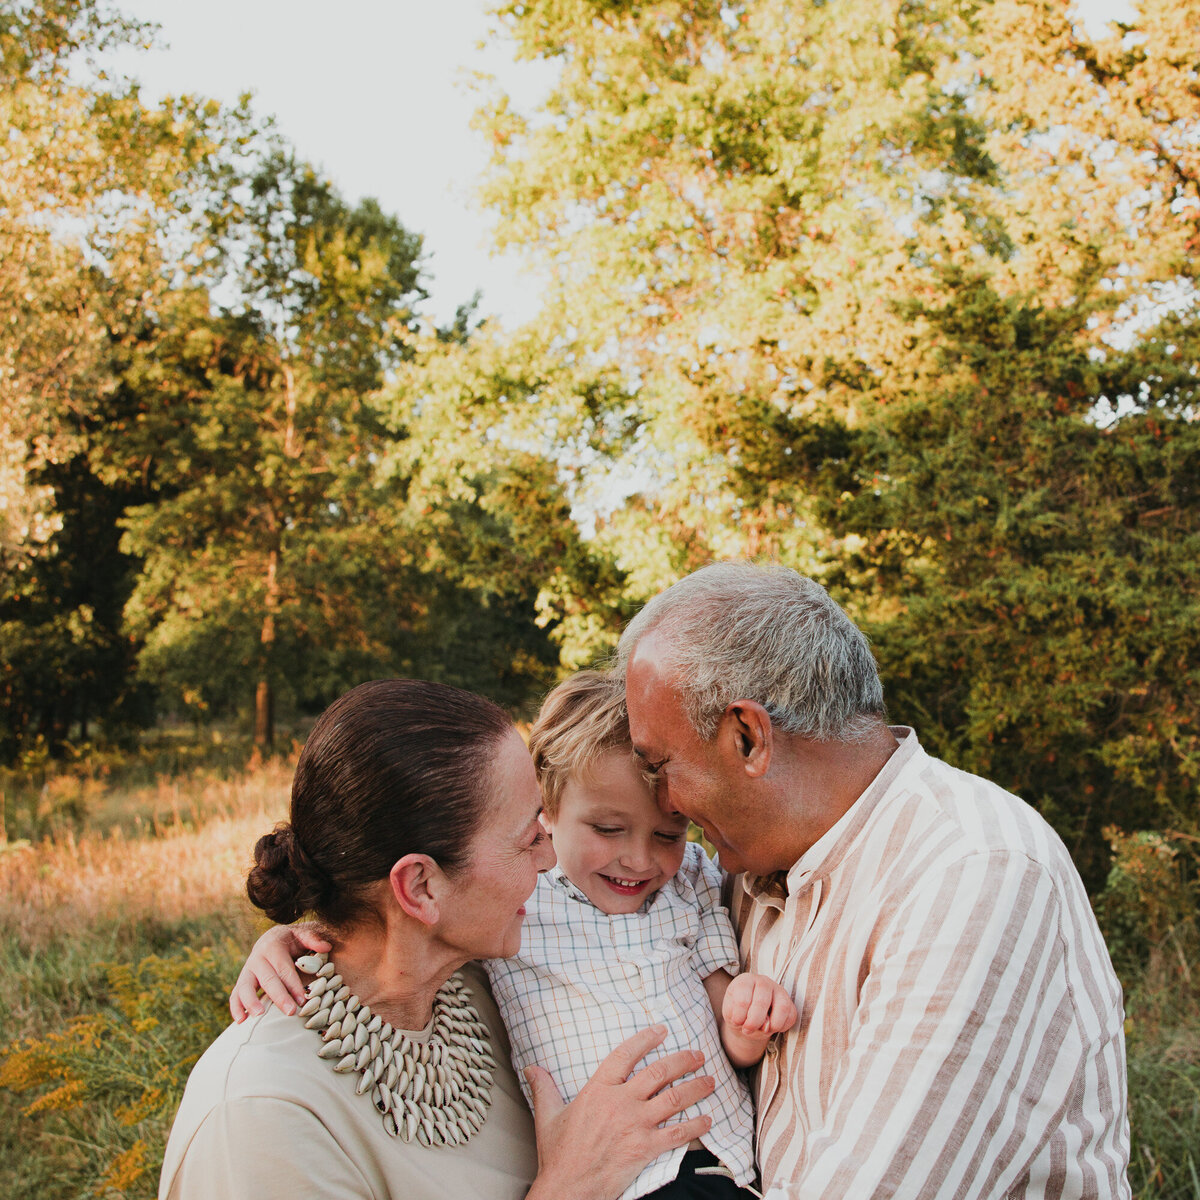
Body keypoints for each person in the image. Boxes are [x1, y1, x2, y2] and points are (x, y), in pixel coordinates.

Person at [617, 560, 1131, 1199]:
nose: (662, 804)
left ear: (749, 737)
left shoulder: (970, 870)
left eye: (661, 766)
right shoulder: (742, 877)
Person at [233, 671, 796, 1200]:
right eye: (529, 837)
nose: (549, 857)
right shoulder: (266, 1112)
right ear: (421, 887)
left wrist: (319, 925)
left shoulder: (464, 967)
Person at [489, 670, 796, 1199]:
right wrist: (298, 937)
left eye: (666, 834)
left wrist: (748, 1021)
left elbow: (729, 1026)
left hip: (722, 1163)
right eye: (607, 829)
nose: (638, 859)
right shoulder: (516, 891)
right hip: (614, 1180)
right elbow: (408, 907)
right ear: (547, 808)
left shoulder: (691, 879)